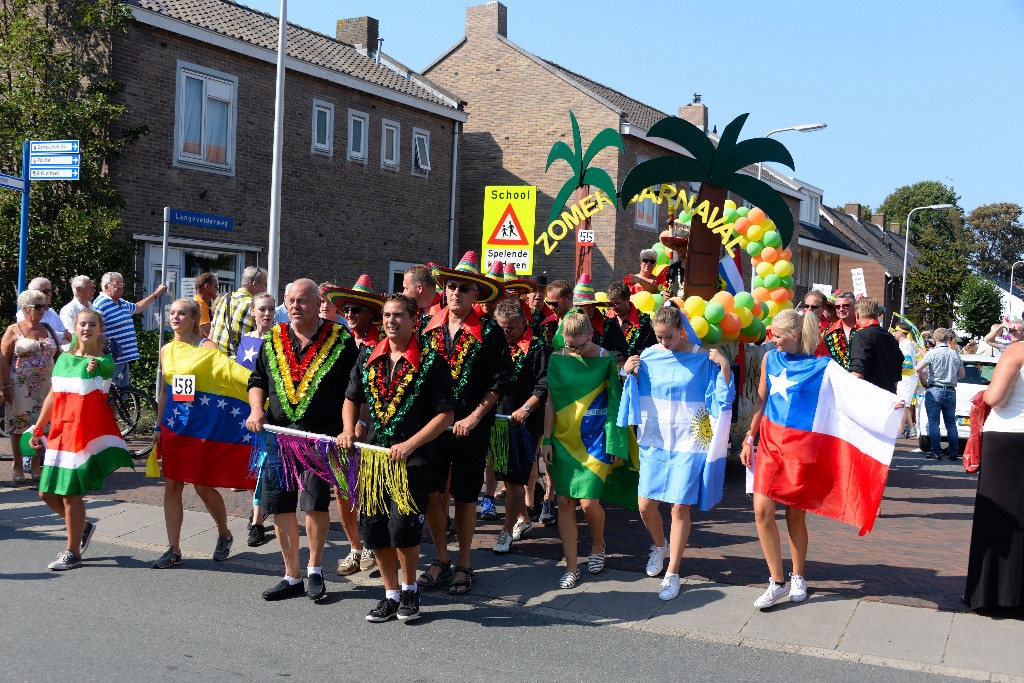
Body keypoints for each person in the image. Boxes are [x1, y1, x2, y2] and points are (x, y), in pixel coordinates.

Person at [340, 294, 455, 622]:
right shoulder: (368, 357)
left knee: (403, 531)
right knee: (375, 531)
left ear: (412, 319)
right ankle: (390, 596)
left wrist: (412, 444)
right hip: (374, 459)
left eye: (398, 316)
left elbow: (445, 415)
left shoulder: (431, 361)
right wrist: (349, 429)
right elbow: (351, 398)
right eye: (387, 316)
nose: (391, 321)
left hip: (413, 462)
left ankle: (409, 591)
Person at [246, 279, 358, 602]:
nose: (296, 306)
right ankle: (291, 574)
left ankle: (315, 569)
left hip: (320, 439)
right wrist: (257, 409)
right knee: (278, 505)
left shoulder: (340, 340)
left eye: (303, 301)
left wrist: (354, 425)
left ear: (317, 301)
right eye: (291, 300)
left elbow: (354, 389)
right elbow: (258, 380)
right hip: (280, 437)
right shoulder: (274, 339)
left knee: (314, 502)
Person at [621, 304, 733, 600]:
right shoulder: (648, 355)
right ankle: (660, 546)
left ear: (680, 329)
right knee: (645, 505)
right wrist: (626, 372)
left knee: (679, 507)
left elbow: (722, 396)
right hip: (655, 439)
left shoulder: (701, 356)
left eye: (669, 336)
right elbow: (631, 386)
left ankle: (673, 572)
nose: (664, 343)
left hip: (690, 439)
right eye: (659, 337)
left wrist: (724, 367)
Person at [416, 251, 512, 596]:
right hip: (432, 428)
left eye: (464, 288)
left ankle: (465, 562)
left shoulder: (490, 332)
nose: (455, 292)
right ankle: (440, 558)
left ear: (476, 295)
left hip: (470, 429)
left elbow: (499, 383)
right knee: (430, 493)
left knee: (466, 497)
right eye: (451, 286)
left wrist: (472, 418)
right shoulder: (426, 329)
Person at [30, 309, 133, 570]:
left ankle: (72, 552)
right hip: (59, 431)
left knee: (70, 493)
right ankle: (83, 527)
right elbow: (54, 394)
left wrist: (95, 367)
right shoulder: (63, 358)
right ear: (74, 328)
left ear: (100, 329)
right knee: (46, 493)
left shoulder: (103, 361)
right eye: (82, 324)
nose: (86, 328)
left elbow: (103, 378)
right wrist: (38, 427)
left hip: (80, 435)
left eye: (92, 325)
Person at [540, 311, 635, 589]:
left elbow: (616, 402)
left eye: (581, 345)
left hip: (596, 439)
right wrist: (546, 440)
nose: (576, 351)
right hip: (563, 439)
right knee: (565, 503)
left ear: (590, 335)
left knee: (589, 502)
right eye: (570, 345)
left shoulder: (605, 359)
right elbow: (550, 403)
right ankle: (571, 566)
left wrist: (616, 442)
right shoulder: (557, 358)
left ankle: (597, 545)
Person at [740, 308, 822, 609]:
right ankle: (776, 581)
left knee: (795, 515)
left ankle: (798, 574)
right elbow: (761, 399)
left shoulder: (819, 365)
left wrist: (888, 406)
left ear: (796, 336)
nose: (772, 341)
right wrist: (750, 437)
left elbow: (848, 397)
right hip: (771, 445)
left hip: (801, 449)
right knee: (761, 511)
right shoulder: (770, 359)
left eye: (777, 336)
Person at [151, 299, 234, 569]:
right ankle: (173, 548)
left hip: (201, 426)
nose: (175, 317)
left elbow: (225, 381)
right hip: (176, 425)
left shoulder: (206, 347)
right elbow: (165, 390)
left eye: (182, 313)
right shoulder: (166, 350)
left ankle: (224, 533)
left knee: (202, 486)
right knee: (172, 485)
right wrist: (157, 426)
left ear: (194, 317)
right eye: (172, 313)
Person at [323, 274, 385, 577]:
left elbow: (370, 391)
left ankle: (374, 545)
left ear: (370, 313)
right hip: (339, 426)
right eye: (346, 309)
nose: (349, 315)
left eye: (356, 310)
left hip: (371, 426)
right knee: (342, 489)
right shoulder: (338, 340)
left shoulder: (381, 343)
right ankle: (355, 548)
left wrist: (361, 420)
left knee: (369, 489)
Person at [963, 337, 1024, 611]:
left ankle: (991, 596)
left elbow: (995, 397)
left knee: (997, 515)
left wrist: (986, 393)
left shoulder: (1017, 351)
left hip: (1008, 436)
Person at [490, 297, 550, 553]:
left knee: (515, 480)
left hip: (524, 424)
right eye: (501, 327)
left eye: (510, 328)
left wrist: (526, 409)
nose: (505, 333)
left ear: (523, 323)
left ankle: (505, 531)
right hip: (499, 420)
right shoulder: (496, 345)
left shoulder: (537, 347)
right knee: (505, 476)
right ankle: (524, 519)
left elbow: (544, 384)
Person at [1, 289, 62, 484]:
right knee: (19, 427)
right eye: (38, 306)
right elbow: (3, 359)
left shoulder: (48, 328)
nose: (43, 309)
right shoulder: (14, 330)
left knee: (41, 426)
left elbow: (58, 355)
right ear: (25, 308)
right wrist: (5, 387)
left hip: (46, 387)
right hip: (20, 387)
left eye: (45, 305)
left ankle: (36, 465)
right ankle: (18, 465)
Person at [235, 292, 277, 548]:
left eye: (271, 309)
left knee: (263, 464)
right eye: (262, 309)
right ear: (253, 312)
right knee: (251, 463)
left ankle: (258, 521)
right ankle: (259, 509)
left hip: (271, 414)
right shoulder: (246, 340)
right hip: (246, 411)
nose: (266, 313)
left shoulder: (281, 339)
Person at [93, 271, 168, 388]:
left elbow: (137, 307)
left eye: (122, 285)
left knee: (122, 393)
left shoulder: (121, 302)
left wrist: (156, 295)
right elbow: (95, 330)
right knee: (110, 393)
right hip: (112, 358)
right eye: (117, 285)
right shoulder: (101, 304)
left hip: (122, 357)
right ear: (107, 286)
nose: (121, 288)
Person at [553, 275, 629, 366]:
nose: (577, 310)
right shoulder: (567, 323)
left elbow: (619, 353)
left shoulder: (610, 326)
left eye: (581, 306)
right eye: (575, 306)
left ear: (592, 306)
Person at [916, 327, 965, 461]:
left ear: (935, 339)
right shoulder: (954, 354)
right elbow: (961, 374)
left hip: (935, 388)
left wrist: (924, 381)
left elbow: (918, 368)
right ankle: (954, 451)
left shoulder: (932, 353)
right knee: (950, 423)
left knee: (934, 423)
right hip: (950, 390)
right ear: (947, 338)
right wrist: (950, 376)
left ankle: (936, 451)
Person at [849, 297, 904, 394]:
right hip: (889, 397)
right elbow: (897, 377)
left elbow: (858, 372)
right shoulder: (891, 338)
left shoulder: (861, 335)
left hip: (869, 398)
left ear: (857, 314)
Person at [209, 266, 267, 358]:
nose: (266, 289)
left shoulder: (225, 298)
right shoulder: (254, 306)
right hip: (238, 365)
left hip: (218, 361)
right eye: (265, 284)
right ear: (255, 284)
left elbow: (212, 332)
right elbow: (266, 337)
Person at [607, 281, 656, 357]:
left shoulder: (644, 322)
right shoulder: (605, 319)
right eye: (611, 304)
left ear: (627, 299)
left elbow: (648, 350)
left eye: (617, 303)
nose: (613, 307)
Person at [16, 277, 71, 343]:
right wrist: (62, 335)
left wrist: (60, 335)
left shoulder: (51, 312)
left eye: (50, 290)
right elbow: (37, 334)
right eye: (45, 291)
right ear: (34, 292)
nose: (50, 294)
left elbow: (65, 333)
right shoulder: (25, 312)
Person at [893, 324, 922, 438]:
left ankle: (900, 430)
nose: (894, 332)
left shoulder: (905, 344)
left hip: (905, 377)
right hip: (907, 377)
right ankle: (911, 428)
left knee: (902, 404)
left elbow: (907, 363)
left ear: (902, 332)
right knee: (905, 404)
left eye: (896, 330)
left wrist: (895, 370)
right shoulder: (905, 344)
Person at [822, 291, 856, 370]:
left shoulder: (864, 328)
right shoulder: (829, 332)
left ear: (855, 306)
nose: (841, 309)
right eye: (837, 307)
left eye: (845, 306)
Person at [193, 272, 219, 338]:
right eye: (215, 286)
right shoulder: (199, 306)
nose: (217, 289)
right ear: (207, 287)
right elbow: (210, 336)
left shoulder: (201, 304)